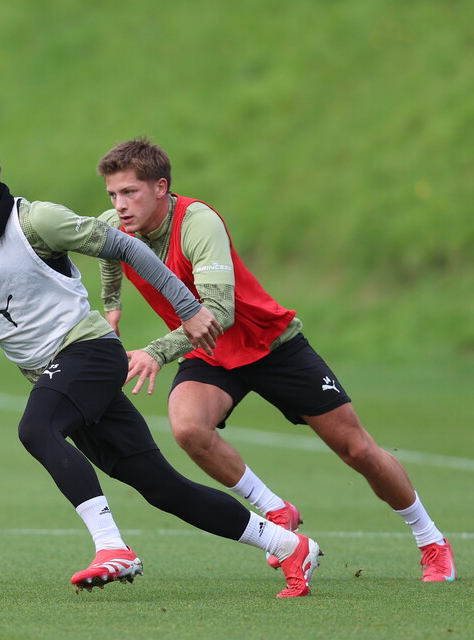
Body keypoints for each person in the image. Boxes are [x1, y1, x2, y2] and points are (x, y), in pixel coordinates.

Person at [0, 133, 323, 598]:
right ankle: (289, 545)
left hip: (88, 353)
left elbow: (127, 247)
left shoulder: (37, 221)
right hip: (55, 373)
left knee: (36, 428)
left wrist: (188, 308)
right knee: (163, 487)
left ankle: (112, 547)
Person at [93, 137, 455, 582]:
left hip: (271, 345)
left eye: (130, 192)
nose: (120, 204)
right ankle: (276, 510)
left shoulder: (197, 223)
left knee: (357, 449)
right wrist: (113, 306)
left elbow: (218, 313)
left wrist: (154, 351)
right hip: (208, 352)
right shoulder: (114, 224)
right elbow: (108, 252)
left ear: (162, 187)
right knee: (188, 427)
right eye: (113, 194)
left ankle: (431, 540)